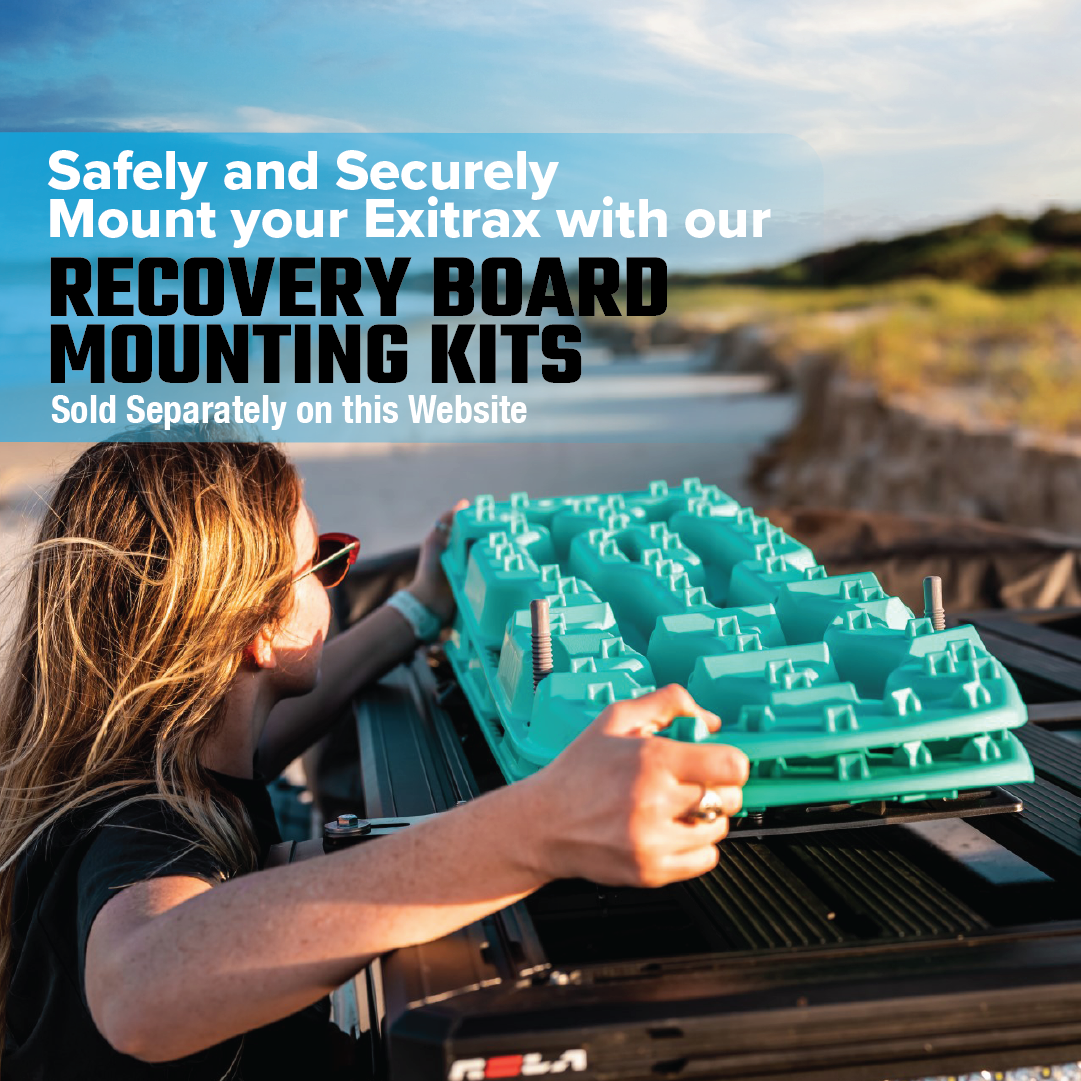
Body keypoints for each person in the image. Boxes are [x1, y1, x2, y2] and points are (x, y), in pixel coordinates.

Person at [0, 436, 749, 1080]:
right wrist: (534, 830)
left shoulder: (164, 749)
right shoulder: (142, 819)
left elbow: (271, 735)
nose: (337, 573)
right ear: (259, 630)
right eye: (323, 562)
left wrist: (418, 608)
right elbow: (140, 987)